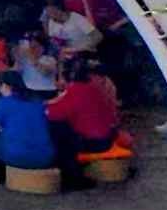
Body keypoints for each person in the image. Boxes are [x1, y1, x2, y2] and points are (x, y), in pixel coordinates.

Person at [45, 56, 121, 187]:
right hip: (107, 136)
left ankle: (72, 176)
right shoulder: (92, 89)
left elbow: (54, 113)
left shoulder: (75, 91)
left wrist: (43, 105)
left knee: (58, 129)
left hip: (94, 142)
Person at [0, 72, 55, 173]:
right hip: (45, 158)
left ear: (5, 86)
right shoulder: (37, 101)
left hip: (17, 158)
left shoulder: (3, 103)